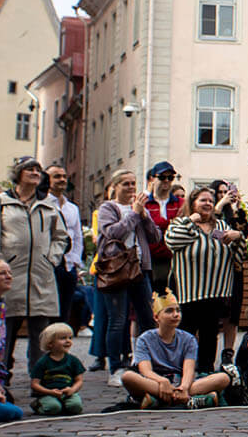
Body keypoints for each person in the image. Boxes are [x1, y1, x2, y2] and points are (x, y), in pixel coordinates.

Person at [0, 158, 70, 378]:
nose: (35, 173)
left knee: (41, 334)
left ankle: (39, 380)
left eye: (38, 170)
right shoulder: (1, 201)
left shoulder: (48, 203)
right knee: (4, 331)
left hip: (41, 276)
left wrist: (51, 258)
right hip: (10, 277)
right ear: (18, 174)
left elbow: (61, 236)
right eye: (29, 169)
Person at [164, 186, 247, 372]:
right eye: (203, 200)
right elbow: (172, 241)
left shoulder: (222, 226)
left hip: (216, 292)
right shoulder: (181, 223)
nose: (208, 203)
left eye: (210, 200)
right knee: (185, 336)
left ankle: (205, 374)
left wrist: (239, 237)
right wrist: (190, 221)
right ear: (192, 203)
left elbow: (241, 257)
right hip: (188, 293)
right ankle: (180, 374)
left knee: (210, 337)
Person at [94, 170, 158, 383]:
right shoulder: (108, 208)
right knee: (118, 320)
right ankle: (116, 367)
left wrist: (144, 216)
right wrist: (133, 214)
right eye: (126, 184)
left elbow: (155, 236)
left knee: (148, 318)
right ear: (115, 186)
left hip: (139, 269)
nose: (131, 188)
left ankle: (147, 363)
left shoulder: (138, 209)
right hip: (116, 270)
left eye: (133, 183)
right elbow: (113, 233)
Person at [125, 290, 234, 408]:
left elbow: (189, 370)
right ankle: (191, 399)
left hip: (181, 382)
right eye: (169, 311)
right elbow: (145, 370)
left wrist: (184, 388)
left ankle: (159, 399)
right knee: (128, 377)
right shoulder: (145, 339)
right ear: (156, 317)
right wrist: (162, 381)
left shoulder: (188, 339)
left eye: (178, 310)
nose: (176, 315)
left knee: (223, 378)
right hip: (156, 382)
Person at [207, 178, 248, 367]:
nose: (226, 195)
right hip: (213, 270)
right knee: (213, 313)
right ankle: (208, 352)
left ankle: (228, 353)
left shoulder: (232, 213)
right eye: (221, 192)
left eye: (228, 191)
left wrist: (238, 207)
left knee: (232, 313)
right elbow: (208, 224)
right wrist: (221, 203)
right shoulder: (212, 212)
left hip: (234, 268)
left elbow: (244, 232)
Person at [43, 165, 84, 333]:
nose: (62, 180)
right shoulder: (43, 204)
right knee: (47, 312)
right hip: (50, 264)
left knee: (64, 310)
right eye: (57, 176)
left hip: (68, 265)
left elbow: (77, 235)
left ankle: (60, 349)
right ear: (48, 180)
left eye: (64, 176)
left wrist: (75, 260)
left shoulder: (72, 207)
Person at [139, 162, 183, 292]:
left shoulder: (180, 202)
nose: (166, 181)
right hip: (150, 259)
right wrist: (170, 222)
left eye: (170, 178)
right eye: (162, 177)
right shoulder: (145, 202)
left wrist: (154, 223)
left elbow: (182, 226)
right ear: (152, 179)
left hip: (173, 259)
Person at [29, 323, 84, 415]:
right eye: (63, 338)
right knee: (53, 408)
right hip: (48, 394)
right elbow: (34, 384)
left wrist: (72, 390)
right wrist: (50, 392)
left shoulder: (73, 360)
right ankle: (38, 405)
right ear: (50, 343)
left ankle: (64, 405)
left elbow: (79, 380)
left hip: (67, 393)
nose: (68, 341)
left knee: (76, 407)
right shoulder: (43, 362)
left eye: (70, 338)